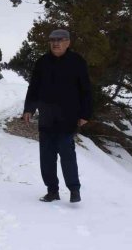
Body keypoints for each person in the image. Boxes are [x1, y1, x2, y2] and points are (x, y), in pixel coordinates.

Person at [22, 29, 92, 203]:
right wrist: (29, 109)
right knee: (46, 157)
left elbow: (86, 90)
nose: (56, 43)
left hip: (67, 117)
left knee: (67, 154)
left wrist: (85, 113)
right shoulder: (42, 63)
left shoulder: (77, 62)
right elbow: (34, 88)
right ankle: (52, 191)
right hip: (46, 117)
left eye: (60, 40)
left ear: (68, 42)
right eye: (53, 40)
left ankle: (74, 190)